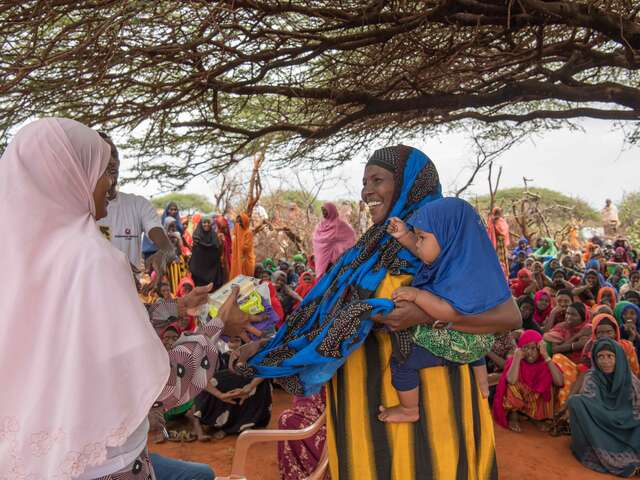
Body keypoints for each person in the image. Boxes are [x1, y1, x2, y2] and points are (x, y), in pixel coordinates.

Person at [0, 118, 262, 479]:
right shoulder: (92, 258)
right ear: (72, 175)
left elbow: (82, 327)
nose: (109, 186)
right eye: (101, 171)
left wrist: (177, 308)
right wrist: (217, 327)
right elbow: (162, 386)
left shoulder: (14, 257)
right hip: (104, 463)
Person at [244, 145, 521, 478]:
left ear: (409, 183)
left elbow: (509, 317)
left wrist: (425, 314)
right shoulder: (369, 248)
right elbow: (324, 313)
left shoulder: (445, 238)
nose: (367, 191)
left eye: (378, 179)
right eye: (364, 182)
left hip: (435, 403)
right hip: (363, 405)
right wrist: (270, 347)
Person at [379, 197, 513, 422]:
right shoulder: (464, 261)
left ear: (447, 238)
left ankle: (409, 410)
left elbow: (448, 312)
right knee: (474, 346)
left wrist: (418, 295)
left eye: (421, 237)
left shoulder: (455, 276)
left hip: (459, 342)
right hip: (479, 341)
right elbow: (426, 252)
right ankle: (482, 382)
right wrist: (404, 235)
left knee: (403, 357)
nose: (417, 243)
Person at [96, 132, 176, 279]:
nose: (112, 161)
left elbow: (166, 245)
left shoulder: (138, 205)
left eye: (114, 154)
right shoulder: (77, 208)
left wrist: (165, 252)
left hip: (129, 297)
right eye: (104, 155)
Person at [568, 338, 640, 477]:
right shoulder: (592, 376)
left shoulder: (629, 379)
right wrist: (608, 414)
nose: (605, 361)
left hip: (628, 425)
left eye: (610, 356)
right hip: (602, 423)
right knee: (575, 402)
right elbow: (590, 399)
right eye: (600, 357)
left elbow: (637, 408)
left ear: (618, 358)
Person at [492, 330, 564, 433]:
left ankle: (535, 418)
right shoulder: (515, 360)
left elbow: (559, 382)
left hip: (532, 401)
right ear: (520, 349)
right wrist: (516, 359)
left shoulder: (545, 363)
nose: (529, 352)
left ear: (540, 348)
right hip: (519, 400)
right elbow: (511, 380)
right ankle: (514, 416)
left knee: (549, 385)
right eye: (525, 348)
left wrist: (546, 356)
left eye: (533, 348)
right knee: (512, 385)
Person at [312, 202, 357, 278]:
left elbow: (351, 235)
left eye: (325, 210)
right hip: (321, 259)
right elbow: (316, 239)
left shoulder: (339, 224)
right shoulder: (320, 225)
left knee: (332, 280)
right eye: (322, 210)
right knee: (323, 280)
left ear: (331, 211)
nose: (324, 213)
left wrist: (340, 249)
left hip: (334, 261)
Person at [189, 216, 225, 289]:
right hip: (199, 270)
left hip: (212, 269)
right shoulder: (197, 236)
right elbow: (196, 255)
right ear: (200, 224)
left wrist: (220, 244)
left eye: (208, 222)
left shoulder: (213, 235)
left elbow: (217, 251)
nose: (206, 224)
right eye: (204, 222)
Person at [230, 213, 256, 278]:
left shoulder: (248, 232)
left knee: (244, 274)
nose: (239, 223)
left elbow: (246, 247)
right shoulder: (237, 227)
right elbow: (234, 234)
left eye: (240, 222)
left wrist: (238, 246)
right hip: (237, 255)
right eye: (238, 222)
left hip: (245, 257)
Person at [486, 206, 511, 276]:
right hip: (500, 243)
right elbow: (504, 230)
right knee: (501, 260)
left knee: (499, 260)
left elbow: (489, 232)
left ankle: (501, 275)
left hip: (497, 243)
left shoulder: (493, 221)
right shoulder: (499, 221)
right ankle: (503, 275)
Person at [215, 214, 233, 281]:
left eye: (226, 227)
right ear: (219, 227)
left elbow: (230, 248)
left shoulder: (227, 235)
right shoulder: (219, 236)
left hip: (228, 258)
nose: (225, 229)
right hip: (223, 261)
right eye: (223, 228)